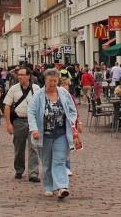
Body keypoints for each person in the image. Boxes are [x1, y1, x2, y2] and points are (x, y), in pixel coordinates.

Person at [27, 69, 81, 200]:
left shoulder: (63, 93)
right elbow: (31, 112)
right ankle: (49, 186)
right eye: (50, 81)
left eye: (55, 81)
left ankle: (62, 187)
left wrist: (73, 122)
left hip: (61, 133)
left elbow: (72, 110)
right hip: (44, 134)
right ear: (45, 81)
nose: (52, 83)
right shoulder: (39, 95)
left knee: (60, 160)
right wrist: (34, 129)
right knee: (46, 163)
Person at [4, 67, 41, 182]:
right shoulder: (13, 89)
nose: (19, 77)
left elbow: (40, 105)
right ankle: (19, 170)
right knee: (19, 148)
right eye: (18, 75)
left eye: (22, 75)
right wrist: (8, 124)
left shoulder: (36, 88)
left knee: (33, 147)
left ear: (29, 76)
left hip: (32, 122)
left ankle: (33, 173)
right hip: (19, 121)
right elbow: (7, 106)